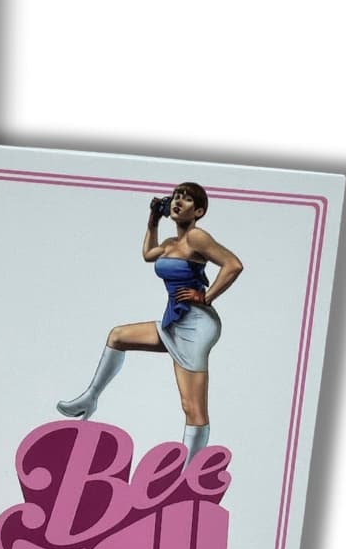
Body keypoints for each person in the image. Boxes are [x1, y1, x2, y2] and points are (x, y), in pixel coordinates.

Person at [56, 182, 243, 456]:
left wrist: (206, 296)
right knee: (118, 336)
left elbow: (233, 265)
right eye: (176, 196)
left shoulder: (197, 237)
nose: (178, 201)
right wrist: (153, 221)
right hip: (174, 321)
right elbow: (147, 255)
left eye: (187, 199)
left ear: (199, 211)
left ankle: (190, 468)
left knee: (192, 406)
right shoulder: (169, 244)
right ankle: (90, 398)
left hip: (196, 323)